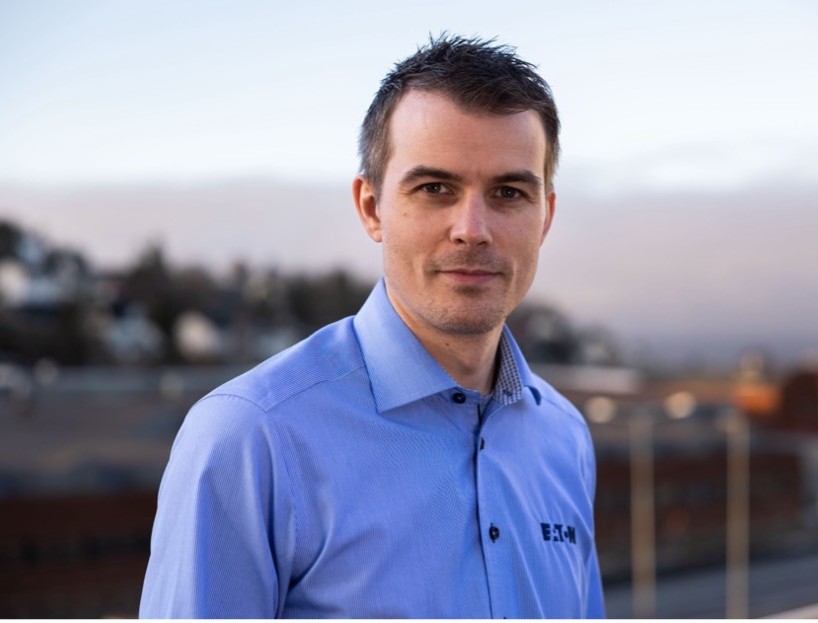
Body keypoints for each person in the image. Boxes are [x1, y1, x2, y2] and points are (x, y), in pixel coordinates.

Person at [139, 34, 605, 618]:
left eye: (509, 192)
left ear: (546, 217)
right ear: (371, 207)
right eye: (435, 188)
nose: (472, 229)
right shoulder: (251, 438)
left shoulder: (564, 437)